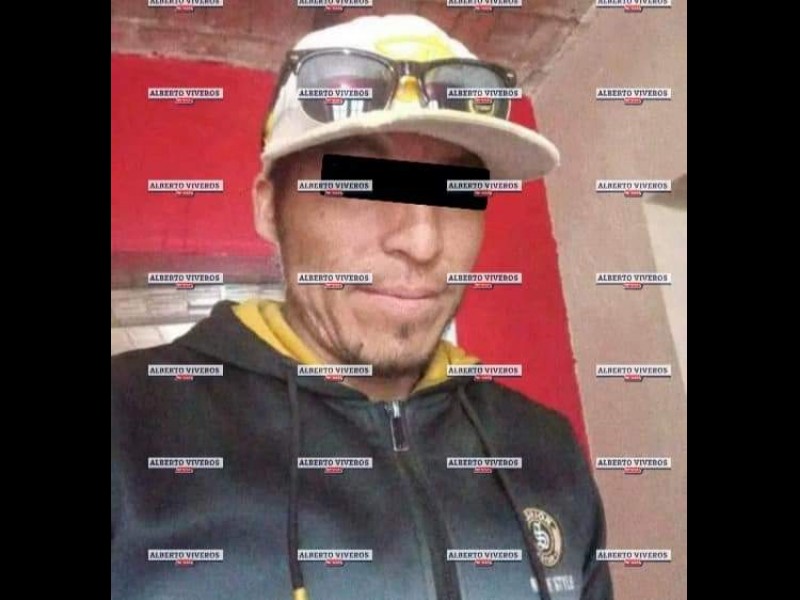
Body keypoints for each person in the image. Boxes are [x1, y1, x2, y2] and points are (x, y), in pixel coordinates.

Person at [111, 14, 613, 600]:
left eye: (455, 191)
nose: (422, 242)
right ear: (269, 208)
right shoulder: (130, 425)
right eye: (363, 184)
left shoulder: (543, 447)